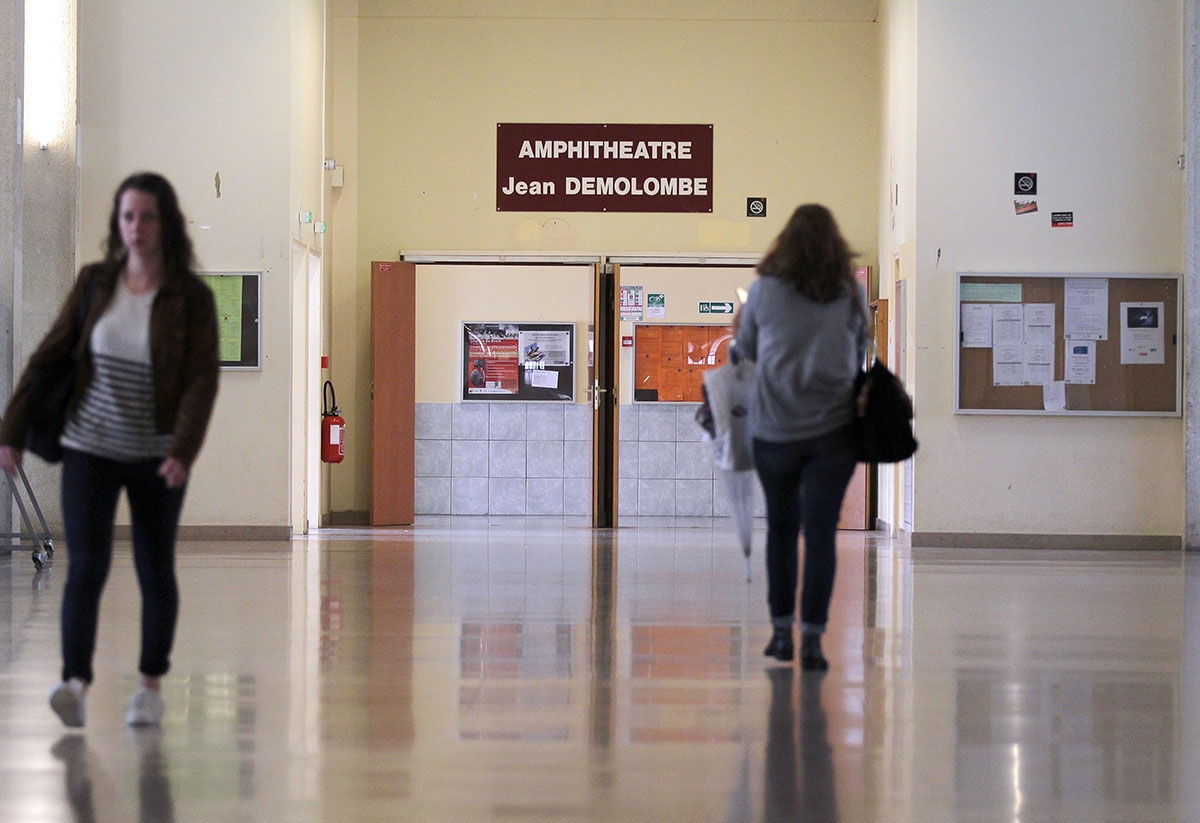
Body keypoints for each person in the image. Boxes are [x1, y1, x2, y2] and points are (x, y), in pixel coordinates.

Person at [0, 172, 219, 727]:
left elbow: (200, 380)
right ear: (116, 223)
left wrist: (184, 450)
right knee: (87, 567)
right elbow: (48, 356)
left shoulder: (190, 297)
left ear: (164, 222)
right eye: (127, 216)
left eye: (147, 216)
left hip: (157, 453)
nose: (136, 227)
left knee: (153, 567)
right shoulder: (97, 282)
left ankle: (149, 685)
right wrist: (12, 431)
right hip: (88, 447)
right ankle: (74, 680)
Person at [735, 203, 867, 670]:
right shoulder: (848, 292)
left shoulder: (765, 292)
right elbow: (861, 349)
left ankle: (780, 634)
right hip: (834, 432)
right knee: (821, 534)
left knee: (782, 531)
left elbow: (745, 351)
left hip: (775, 431)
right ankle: (812, 640)